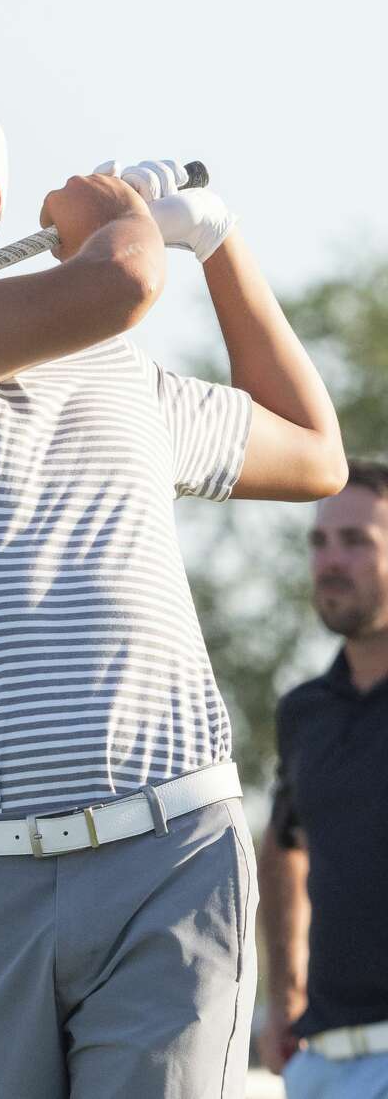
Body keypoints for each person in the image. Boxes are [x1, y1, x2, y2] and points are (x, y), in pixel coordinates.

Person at [0, 64, 347, 1098]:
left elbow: (315, 453)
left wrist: (216, 242)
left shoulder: (117, 373)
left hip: (169, 860)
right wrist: (112, 218)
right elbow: (120, 282)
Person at [258, 459, 388, 1097]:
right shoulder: (303, 710)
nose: (331, 560)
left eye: (357, 541)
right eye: (319, 541)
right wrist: (283, 995)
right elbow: (284, 843)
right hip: (324, 1066)